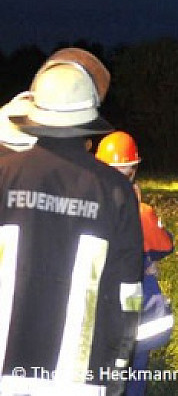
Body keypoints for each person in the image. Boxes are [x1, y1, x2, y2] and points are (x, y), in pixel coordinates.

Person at [0, 48, 143, 396]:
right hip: (79, 379)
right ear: (88, 119)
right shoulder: (116, 191)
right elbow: (128, 296)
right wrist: (118, 369)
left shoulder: (4, 175)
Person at [96, 131, 174, 396]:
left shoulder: (89, 206)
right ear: (133, 168)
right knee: (134, 372)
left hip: (98, 306)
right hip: (135, 310)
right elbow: (165, 246)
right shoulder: (141, 212)